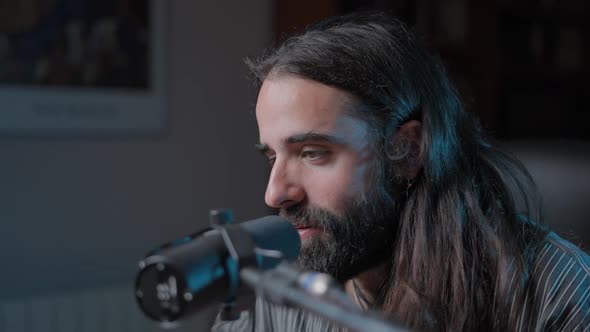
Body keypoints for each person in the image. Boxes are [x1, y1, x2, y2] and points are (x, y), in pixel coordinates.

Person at [212, 11, 590, 331]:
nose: (275, 193)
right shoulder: (274, 297)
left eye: (312, 153)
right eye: (271, 158)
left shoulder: (556, 291)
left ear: (407, 150)